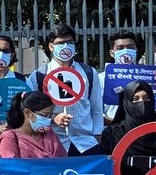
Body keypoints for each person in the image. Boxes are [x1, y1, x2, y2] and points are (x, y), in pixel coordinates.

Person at [28, 25, 102, 155]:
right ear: (51, 47)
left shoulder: (89, 73)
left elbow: (96, 108)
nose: (66, 46)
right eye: (60, 43)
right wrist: (53, 117)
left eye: (69, 42)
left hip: (85, 144)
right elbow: (32, 113)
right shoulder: (39, 75)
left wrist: (97, 136)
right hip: (53, 143)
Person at [0, 92, 68, 159]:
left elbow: (63, 162)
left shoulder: (49, 133)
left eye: (49, 116)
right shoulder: (9, 138)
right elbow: (12, 168)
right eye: (44, 115)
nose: (47, 119)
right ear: (27, 113)